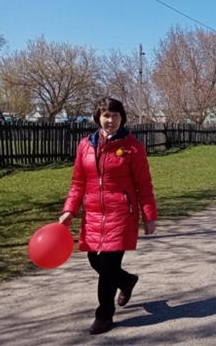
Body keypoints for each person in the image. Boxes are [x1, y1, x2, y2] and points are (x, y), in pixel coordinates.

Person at [59, 97, 158, 335]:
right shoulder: (85, 145)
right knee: (95, 261)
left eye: (115, 115)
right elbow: (78, 182)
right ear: (98, 118)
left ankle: (104, 314)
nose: (110, 120)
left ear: (122, 118)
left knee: (108, 265)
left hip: (121, 213)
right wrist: (69, 210)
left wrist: (149, 215)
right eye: (106, 115)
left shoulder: (133, 147)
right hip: (92, 213)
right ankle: (126, 281)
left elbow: (144, 184)